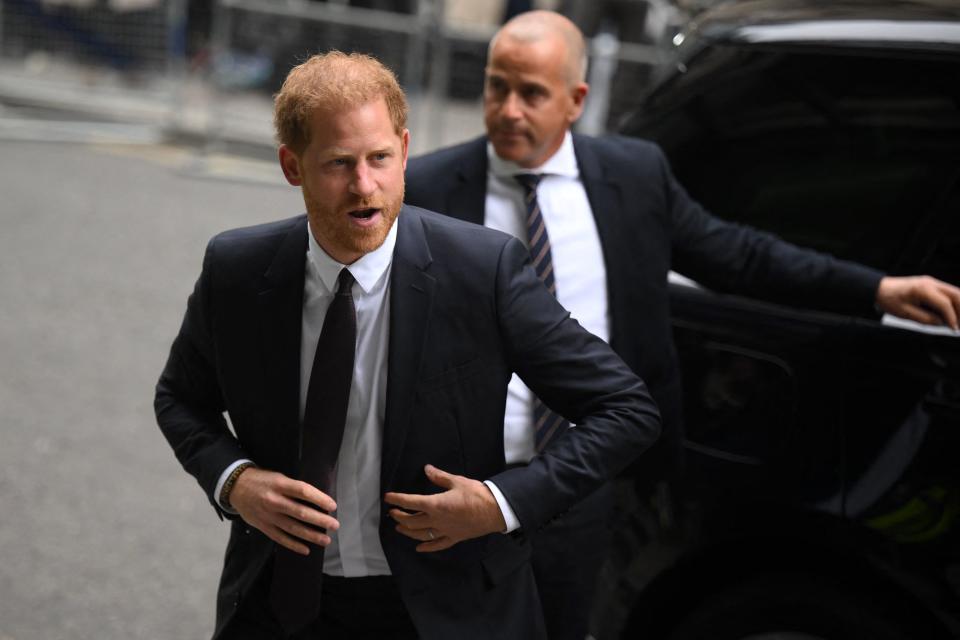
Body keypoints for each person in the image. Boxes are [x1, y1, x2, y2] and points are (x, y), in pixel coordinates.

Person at [403, 10, 960, 640]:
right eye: (496, 86)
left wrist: (878, 288)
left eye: (531, 93)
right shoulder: (425, 190)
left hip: (580, 487)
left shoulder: (635, 178)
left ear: (576, 100)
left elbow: (740, 255)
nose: (507, 109)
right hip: (458, 484)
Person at [154, 50, 661, 640]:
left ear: (405, 149)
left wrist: (501, 503)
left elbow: (626, 408)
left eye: (380, 159)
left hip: (444, 612)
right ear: (292, 166)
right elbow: (179, 399)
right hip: (280, 604)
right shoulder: (236, 269)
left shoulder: (483, 270)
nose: (363, 186)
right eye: (339, 163)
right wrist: (235, 480)